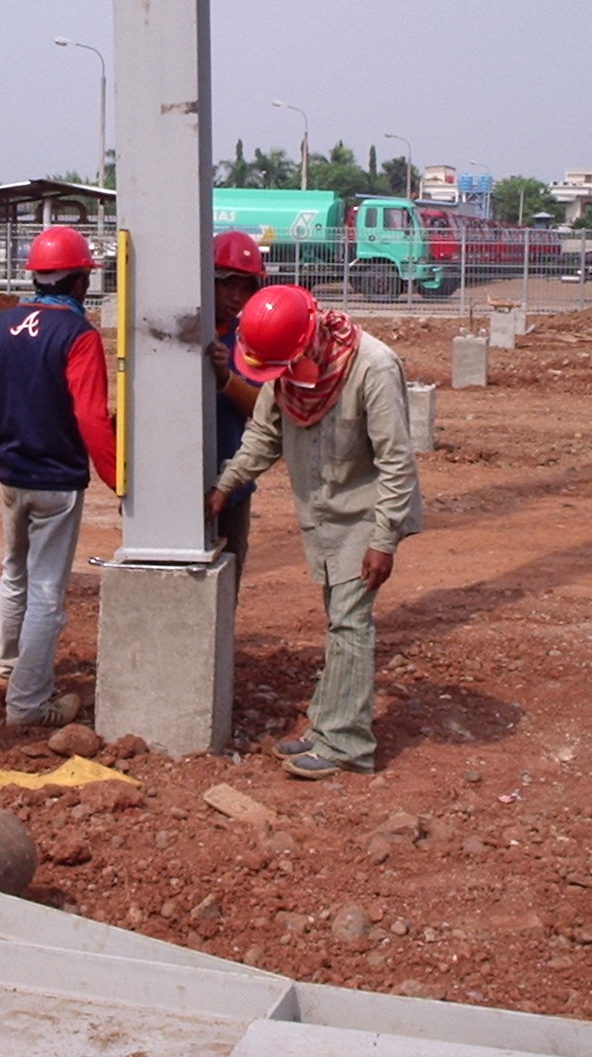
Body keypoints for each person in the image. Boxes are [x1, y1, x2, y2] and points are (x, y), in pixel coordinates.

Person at [206, 284, 423, 780]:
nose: (279, 377)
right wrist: (225, 487)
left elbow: (396, 462)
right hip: (324, 516)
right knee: (337, 621)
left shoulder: (373, 367)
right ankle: (329, 725)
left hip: (366, 516)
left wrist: (383, 540)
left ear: (308, 340)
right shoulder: (288, 373)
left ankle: (347, 745)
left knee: (349, 624)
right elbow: (264, 434)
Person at [0, 226, 117, 727]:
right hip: (57, 481)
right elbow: (92, 417)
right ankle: (28, 703)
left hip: (12, 475)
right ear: (77, 282)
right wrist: (120, 481)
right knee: (47, 589)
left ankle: (9, 668)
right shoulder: (77, 335)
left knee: (14, 572)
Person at [208, 231, 266, 585]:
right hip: (181, 485)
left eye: (245, 288)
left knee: (227, 582)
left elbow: (263, 409)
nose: (236, 297)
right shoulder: (182, 330)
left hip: (232, 484)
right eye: (229, 285)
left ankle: (221, 642)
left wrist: (225, 378)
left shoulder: (248, 340)